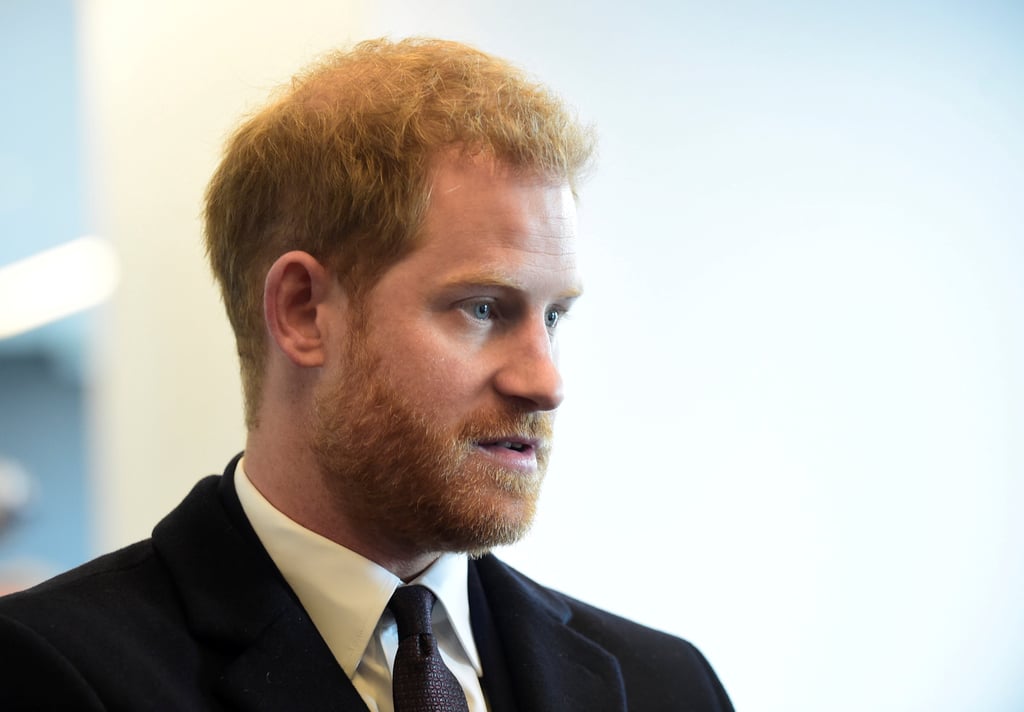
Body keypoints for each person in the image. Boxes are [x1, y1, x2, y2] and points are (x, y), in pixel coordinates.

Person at [0, 38, 733, 710]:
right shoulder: (52, 675)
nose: (545, 382)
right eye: (483, 308)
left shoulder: (665, 685)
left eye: (554, 318)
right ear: (304, 312)